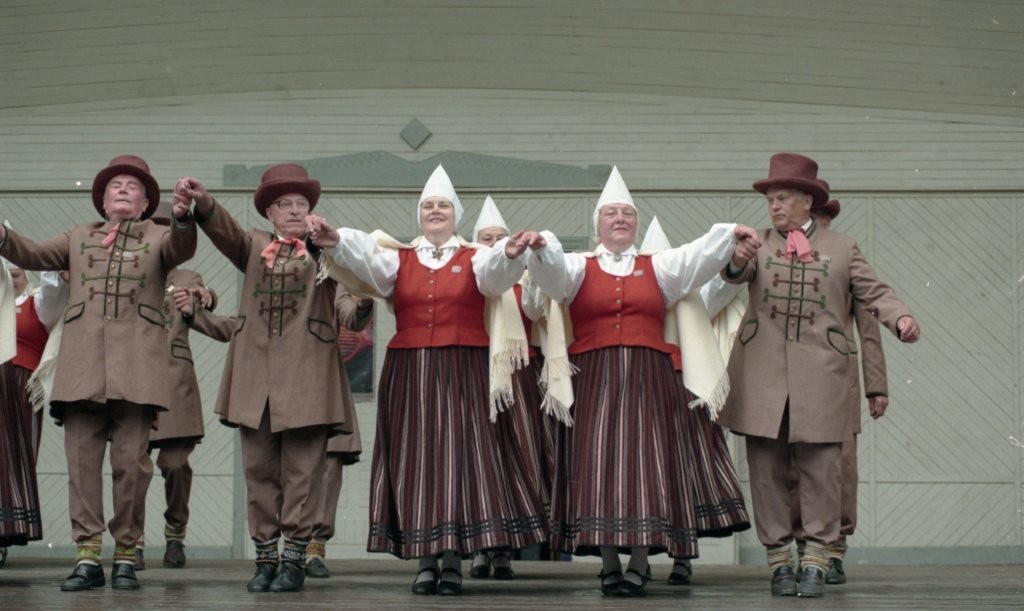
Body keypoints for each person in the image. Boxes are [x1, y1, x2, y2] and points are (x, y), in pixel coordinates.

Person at [515, 167, 759, 596]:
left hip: (649, 380)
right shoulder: (577, 267)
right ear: (598, 225)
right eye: (611, 213)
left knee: (646, 466)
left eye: (627, 214)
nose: (620, 219)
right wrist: (542, 246)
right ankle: (609, 563)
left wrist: (727, 236)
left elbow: (696, 256)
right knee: (597, 467)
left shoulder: (659, 267)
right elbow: (551, 275)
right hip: (592, 379)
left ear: (636, 225)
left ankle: (641, 563)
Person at [306, 165, 548, 596]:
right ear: (420, 214)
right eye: (428, 206)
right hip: (410, 372)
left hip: (464, 370)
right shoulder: (398, 259)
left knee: (461, 460)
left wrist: (510, 253)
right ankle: (425, 561)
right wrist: (336, 239)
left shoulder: (476, 257)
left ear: (456, 214)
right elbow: (363, 257)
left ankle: (452, 561)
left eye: (443, 206)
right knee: (418, 461)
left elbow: (497, 276)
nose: (435, 211)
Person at [717, 152, 919, 599]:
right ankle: (779, 563)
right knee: (766, 470)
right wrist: (736, 258)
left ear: (807, 201)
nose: (774, 206)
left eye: (783, 198)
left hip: (824, 375)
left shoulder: (842, 247)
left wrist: (900, 317)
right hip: (762, 375)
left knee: (822, 471)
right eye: (770, 199)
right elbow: (733, 275)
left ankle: (816, 560)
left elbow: (874, 291)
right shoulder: (757, 242)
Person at [0, 154, 197, 591]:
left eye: (132, 186)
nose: (123, 189)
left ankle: (126, 555)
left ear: (145, 204)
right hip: (81, 368)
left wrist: (184, 218)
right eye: (115, 186)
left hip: (138, 370)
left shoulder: (160, 236)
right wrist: (3, 236)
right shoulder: (77, 236)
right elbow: (32, 253)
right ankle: (87, 558)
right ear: (103, 202)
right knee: (81, 465)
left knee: (132, 467)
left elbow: (182, 249)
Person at [173, 163, 357, 593]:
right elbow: (223, 231)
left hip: (309, 381)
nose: (294, 210)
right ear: (269, 213)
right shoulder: (254, 245)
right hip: (255, 380)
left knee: (303, 475)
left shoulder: (329, 251)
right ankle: (265, 559)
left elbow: (349, 304)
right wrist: (203, 202)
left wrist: (361, 308)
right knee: (258, 473)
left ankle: (294, 560)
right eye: (284, 204)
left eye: (301, 203)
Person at [637, 217, 751, 586]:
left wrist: (735, 260)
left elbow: (723, 287)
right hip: (645, 392)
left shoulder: (692, 296)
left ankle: (683, 556)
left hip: (686, 392)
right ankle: (646, 554)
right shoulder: (639, 298)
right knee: (649, 474)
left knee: (686, 471)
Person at [788, 199, 889, 586]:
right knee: (794, 464)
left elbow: (869, 329)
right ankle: (805, 547)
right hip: (793, 378)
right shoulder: (785, 260)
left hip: (837, 378)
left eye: (821, 220)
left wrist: (876, 386)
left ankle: (835, 548)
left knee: (840, 466)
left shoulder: (845, 259)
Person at [468, 195, 554, 580]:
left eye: (498, 237)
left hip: (519, 379)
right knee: (480, 460)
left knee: (517, 458)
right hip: (476, 374)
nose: (492, 243)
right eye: (485, 238)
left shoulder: (525, 280)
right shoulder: (470, 279)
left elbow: (538, 312)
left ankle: (504, 550)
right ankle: (480, 548)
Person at [132, 254, 217, 571]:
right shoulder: (132, 272)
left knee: (176, 464)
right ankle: (132, 541)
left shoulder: (187, 277)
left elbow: (205, 299)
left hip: (175, 380)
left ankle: (175, 535)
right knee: (132, 467)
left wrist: (206, 296)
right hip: (135, 379)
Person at [0, 264, 67, 567]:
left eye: (15, 274)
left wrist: (51, 262)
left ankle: (10, 525)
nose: (9, 280)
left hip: (22, 388)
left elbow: (54, 291)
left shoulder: (37, 303)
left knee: (16, 457)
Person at [304, 294, 374, 579]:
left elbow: (350, 317)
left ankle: (315, 548)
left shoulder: (331, 279)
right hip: (283, 380)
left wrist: (363, 304)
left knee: (330, 464)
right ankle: (287, 547)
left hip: (325, 383)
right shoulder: (276, 274)